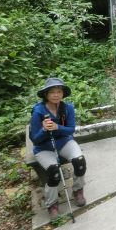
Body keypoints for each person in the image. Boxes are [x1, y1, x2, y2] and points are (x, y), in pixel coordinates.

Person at [29, 77, 87, 219]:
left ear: (62, 93)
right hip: (44, 147)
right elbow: (35, 139)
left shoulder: (68, 108)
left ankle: (78, 190)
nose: (56, 95)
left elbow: (71, 130)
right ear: (46, 95)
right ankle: (52, 204)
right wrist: (43, 129)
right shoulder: (38, 112)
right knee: (53, 172)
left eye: (59, 91)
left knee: (80, 161)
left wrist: (57, 127)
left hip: (64, 142)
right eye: (52, 92)